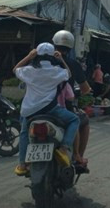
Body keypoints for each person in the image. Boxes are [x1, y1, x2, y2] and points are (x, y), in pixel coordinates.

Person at [13, 43, 80, 176]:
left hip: (30, 112)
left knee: (24, 133)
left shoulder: (29, 70)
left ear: (36, 55)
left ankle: (22, 164)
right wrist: (61, 59)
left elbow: (15, 69)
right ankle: (64, 148)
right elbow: (69, 73)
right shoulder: (56, 70)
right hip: (51, 110)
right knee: (75, 119)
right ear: (53, 55)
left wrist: (28, 56)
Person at [52, 30, 92, 169]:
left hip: (37, 106)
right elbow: (86, 89)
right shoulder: (72, 64)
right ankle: (77, 156)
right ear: (70, 47)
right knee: (82, 120)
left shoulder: (41, 62)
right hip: (63, 106)